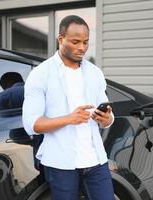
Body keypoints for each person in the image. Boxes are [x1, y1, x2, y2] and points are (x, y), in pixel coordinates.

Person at [22, 15, 114, 200]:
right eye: (75, 41)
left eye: (86, 42)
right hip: (60, 163)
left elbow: (107, 117)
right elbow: (32, 124)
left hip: (96, 160)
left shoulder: (95, 73)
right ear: (61, 39)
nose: (82, 48)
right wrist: (69, 119)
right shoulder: (40, 74)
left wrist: (107, 119)